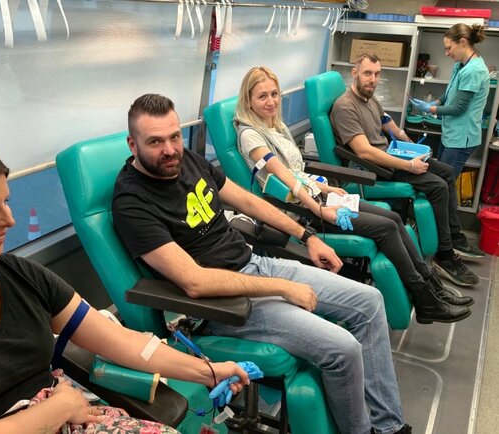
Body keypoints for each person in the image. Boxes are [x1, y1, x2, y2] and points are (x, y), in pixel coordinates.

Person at [0, 137, 248, 434]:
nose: (8, 220)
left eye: (6, 202)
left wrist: (207, 371)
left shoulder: (18, 275)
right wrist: (57, 409)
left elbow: (122, 343)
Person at [113, 93, 412, 434]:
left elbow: (248, 201)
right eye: (155, 142)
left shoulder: (188, 161)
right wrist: (284, 288)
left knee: (370, 302)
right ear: (133, 145)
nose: (169, 149)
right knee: (342, 349)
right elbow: (195, 282)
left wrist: (307, 236)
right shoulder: (132, 202)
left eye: (174, 137)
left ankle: (388, 427)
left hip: (255, 264)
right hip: (222, 306)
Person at [234, 66, 473, 323]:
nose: (271, 101)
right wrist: (319, 208)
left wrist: (327, 189)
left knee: (393, 218)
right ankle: (424, 298)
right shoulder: (250, 135)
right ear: (248, 100)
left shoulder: (276, 125)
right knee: (386, 229)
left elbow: (298, 172)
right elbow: (286, 178)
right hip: (299, 211)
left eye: (274, 94)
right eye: (262, 96)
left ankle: (431, 284)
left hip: (317, 197)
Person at [330, 53, 483, 287]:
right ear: (354, 73)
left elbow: (388, 123)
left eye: (377, 74)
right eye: (367, 73)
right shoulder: (345, 106)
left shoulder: (370, 99)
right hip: (377, 166)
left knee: (446, 172)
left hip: (393, 155)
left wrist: (411, 146)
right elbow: (364, 152)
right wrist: (409, 164)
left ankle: (452, 236)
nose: (373, 79)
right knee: (437, 186)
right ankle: (444, 255)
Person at [410, 24, 490, 179]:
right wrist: (436, 102)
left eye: (449, 48)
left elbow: (458, 108)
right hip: (452, 134)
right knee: (442, 180)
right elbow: (450, 91)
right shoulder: (460, 65)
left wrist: (429, 109)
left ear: (462, 42)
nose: (446, 53)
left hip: (461, 138)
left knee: (442, 181)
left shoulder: (474, 71)